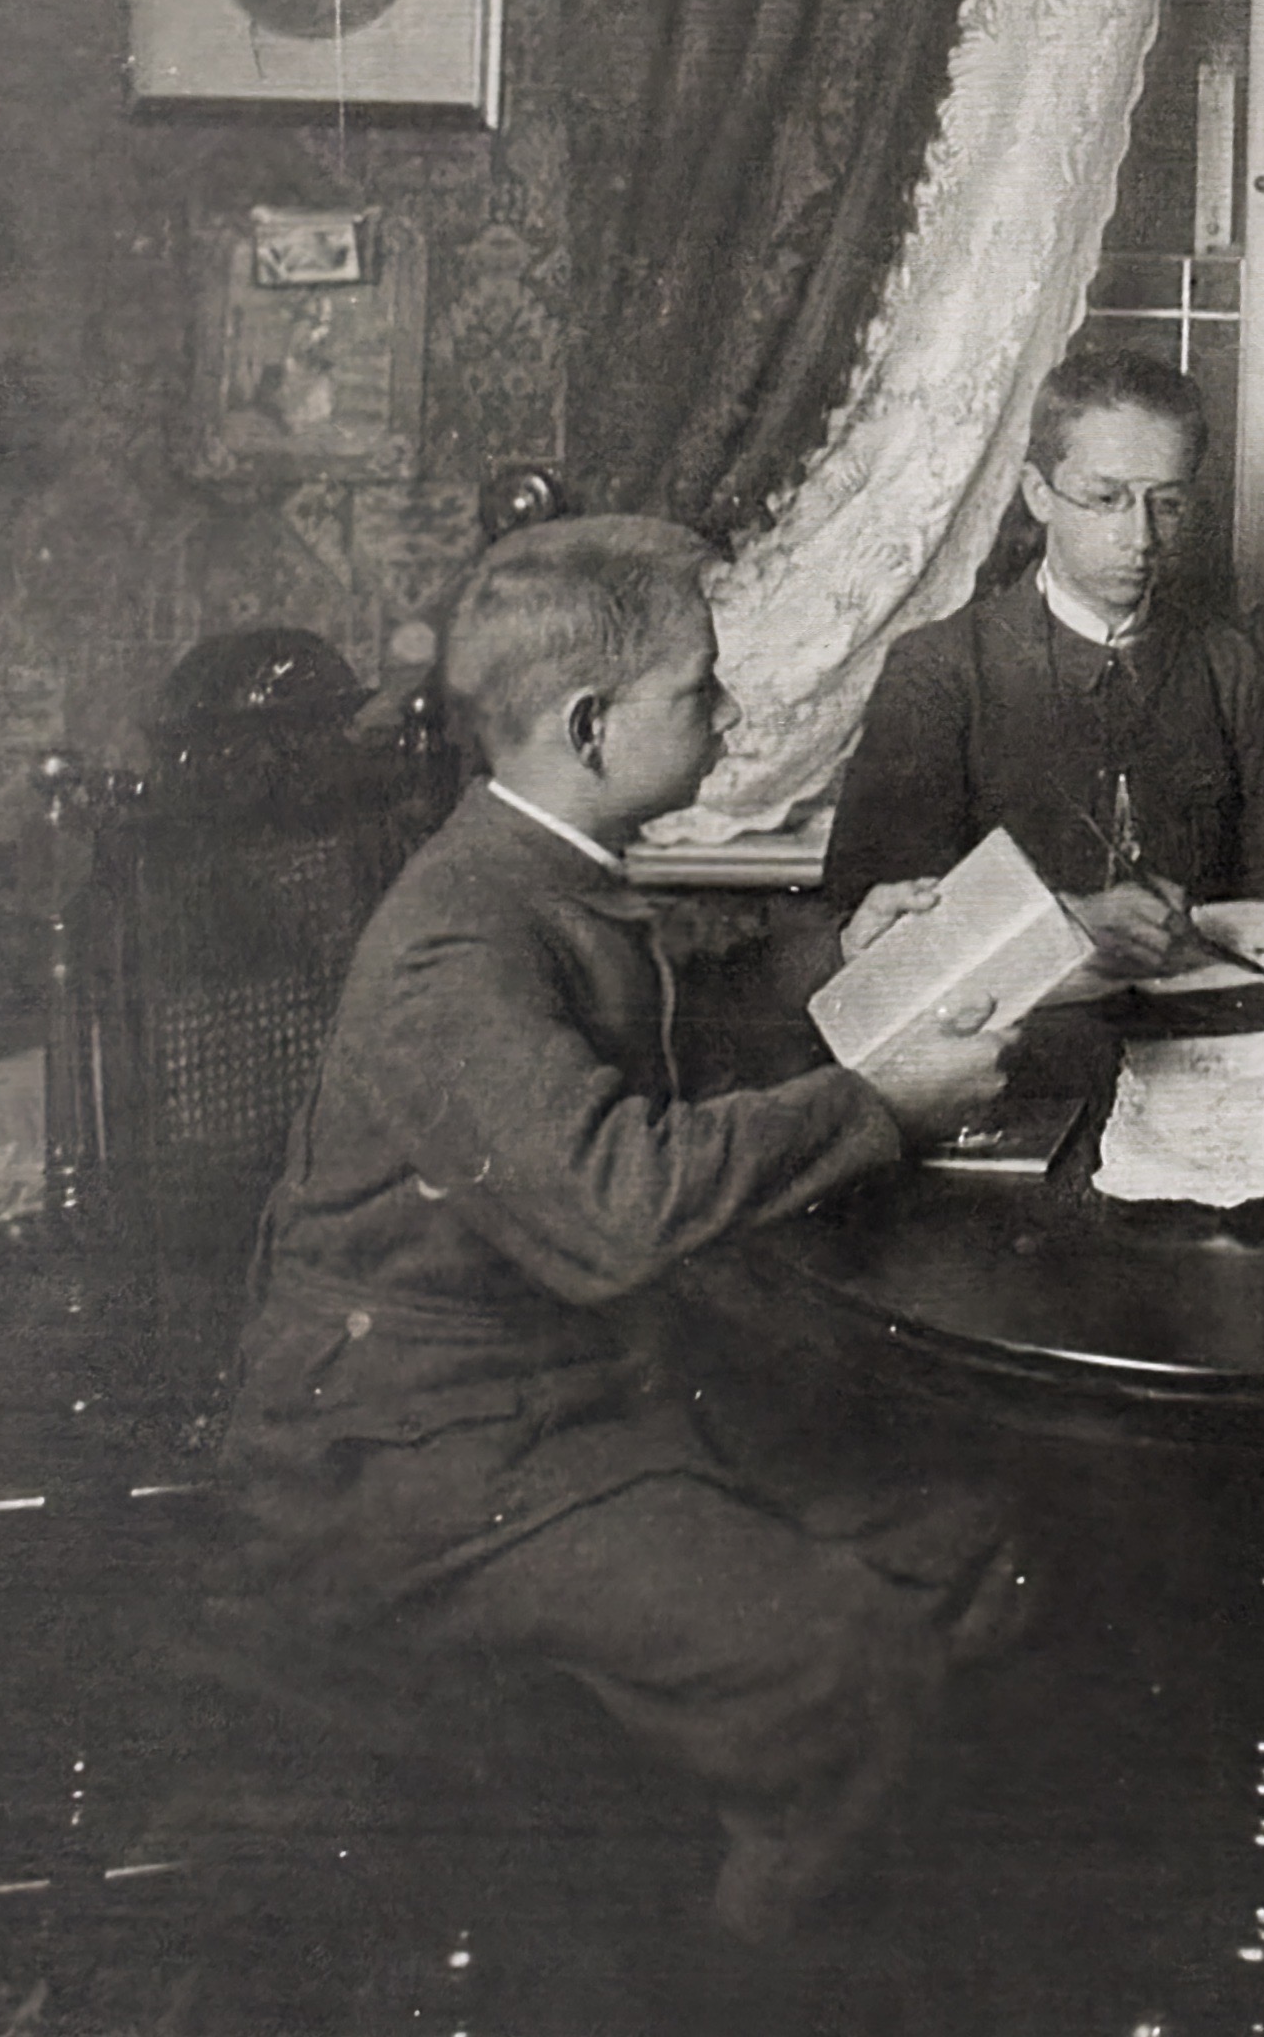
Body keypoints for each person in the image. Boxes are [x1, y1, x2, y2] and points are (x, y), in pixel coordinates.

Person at [220, 516, 1025, 1946]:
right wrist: (880, 1106)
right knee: (843, 1660)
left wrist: (844, 960)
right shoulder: (459, 940)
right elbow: (619, 1197)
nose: (733, 712)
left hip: (571, 1396)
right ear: (591, 726)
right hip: (414, 1454)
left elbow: (651, 1034)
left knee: (973, 1544)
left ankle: (835, 1892)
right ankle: (745, 1974)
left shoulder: (544, 869)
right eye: (701, 689)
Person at [825, 343, 1264, 971]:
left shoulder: (1229, 665)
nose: (1140, 538)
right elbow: (877, 921)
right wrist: (1066, 925)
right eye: (1106, 499)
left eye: (1167, 504)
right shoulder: (938, 670)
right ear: (1039, 494)